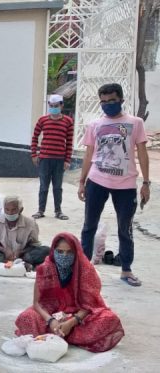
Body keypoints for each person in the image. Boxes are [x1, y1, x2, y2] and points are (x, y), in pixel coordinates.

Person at [79, 83, 150, 287]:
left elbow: (142, 153)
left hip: (126, 185)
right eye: (104, 101)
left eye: (112, 100)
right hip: (97, 181)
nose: (108, 104)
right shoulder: (94, 125)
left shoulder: (135, 123)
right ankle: (83, 270)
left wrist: (145, 182)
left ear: (121, 100)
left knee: (124, 228)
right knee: (89, 226)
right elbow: (89, 154)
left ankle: (126, 270)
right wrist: (82, 181)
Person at [15, 233, 124, 353]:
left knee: (109, 319)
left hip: (79, 313)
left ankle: (61, 333)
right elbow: (37, 303)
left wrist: (71, 322)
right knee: (26, 317)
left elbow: (90, 304)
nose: (64, 256)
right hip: (51, 312)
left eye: (69, 252)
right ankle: (61, 333)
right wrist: (51, 321)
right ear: (53, 251)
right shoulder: (45, 268)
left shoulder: (86, 270)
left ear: (76, 252)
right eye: (60, 252)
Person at [31, 94, 74, 220]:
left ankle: (58, 211)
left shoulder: (68, 122)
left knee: (57, 187)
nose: (54, 108)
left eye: (56, 106)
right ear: (49, 106)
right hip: (44, 159)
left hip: (60, 160)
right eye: (51, 106)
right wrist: (34, 154)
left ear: (62, 106)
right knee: (43, 186)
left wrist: (67, 160)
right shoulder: (42, 120)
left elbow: (70, 142)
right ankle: (40, 210)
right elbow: (34, 138)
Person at [0, 196, 49, 270]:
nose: (10, 213)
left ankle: (20, 262)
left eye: (14, 210)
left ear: (20, 210)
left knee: (46, 250)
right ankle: (17, 263)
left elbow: (34, 245)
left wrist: (21, 251)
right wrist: (5, 250)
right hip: (4, 255)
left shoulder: (31, 223)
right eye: (7, 209)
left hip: (24, 255)